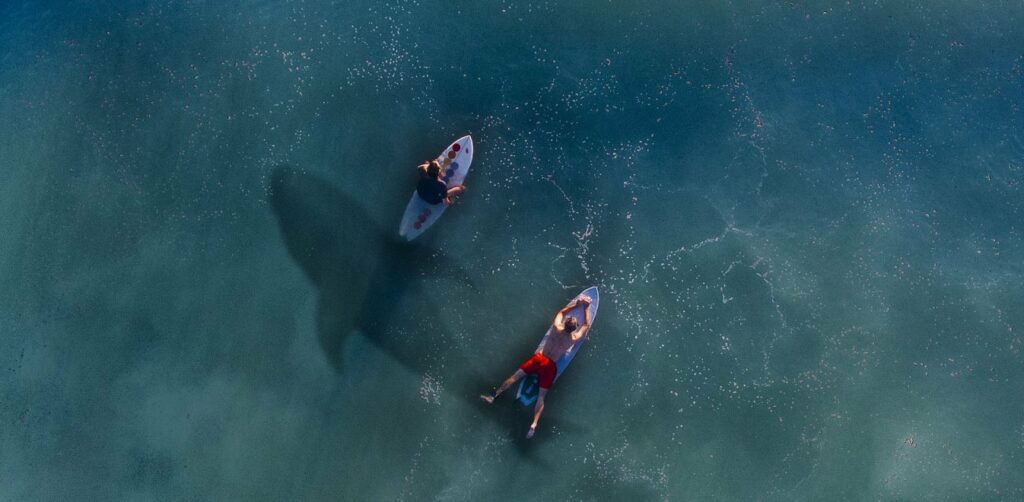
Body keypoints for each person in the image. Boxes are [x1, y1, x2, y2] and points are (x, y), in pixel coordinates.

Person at [480, 295, 593, 438]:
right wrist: (587, 308)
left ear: (565, 324)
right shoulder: (574, 338)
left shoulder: (556, 328)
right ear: (573, 329)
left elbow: (562, 312)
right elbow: (586, 326)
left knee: (514, 377)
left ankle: (493, 396)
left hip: (539, 359)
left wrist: (576, 305)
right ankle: (533, 425)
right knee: (541, 396)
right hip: (550, 366)